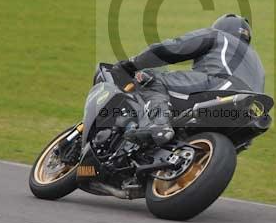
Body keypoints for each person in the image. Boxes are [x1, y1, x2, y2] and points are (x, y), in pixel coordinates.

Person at [111, 14, 265, 146]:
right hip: (249, 112)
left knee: (148, 79)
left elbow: (173, 49)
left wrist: (131, 64)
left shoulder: (218, 35)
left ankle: (158, 125)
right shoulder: (258, 63)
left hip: (219, 86)